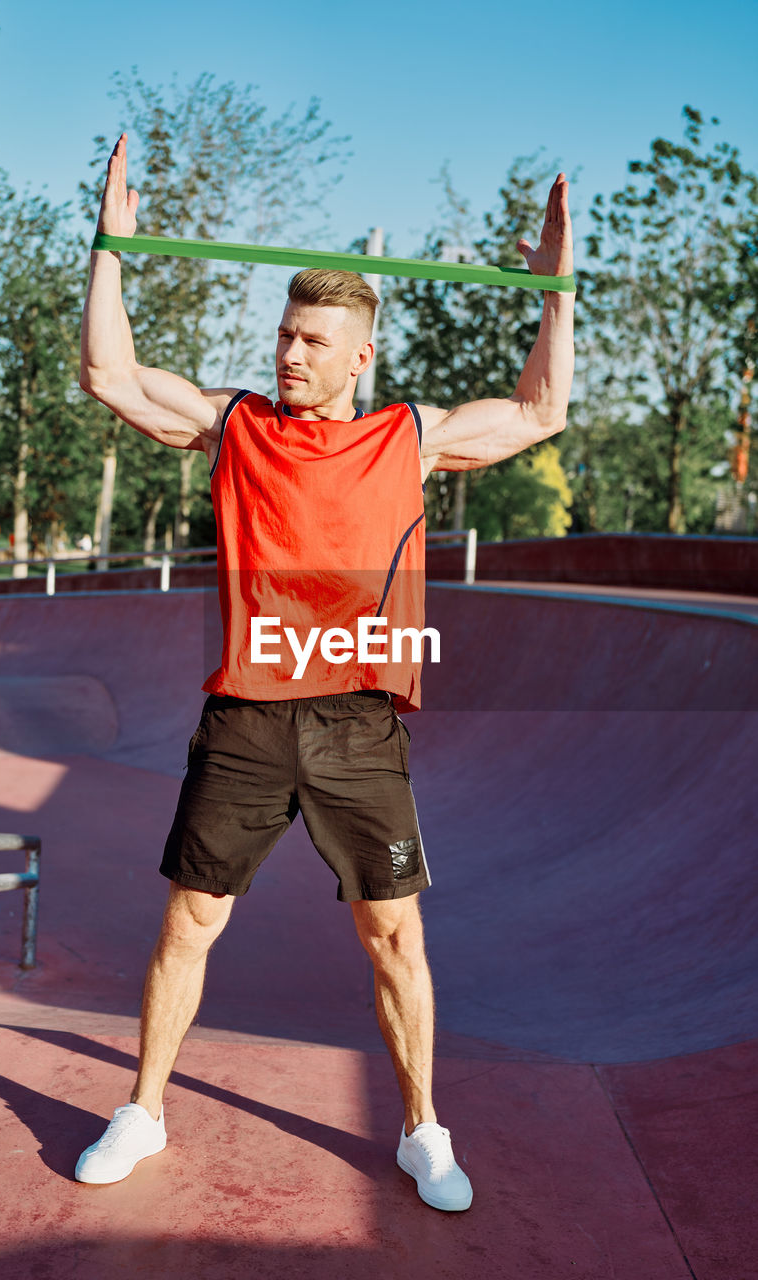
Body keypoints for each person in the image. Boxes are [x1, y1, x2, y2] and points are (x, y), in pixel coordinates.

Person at [75, 133, 574, 1212]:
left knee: (395, 929)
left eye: (312, 341)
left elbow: (542, 412)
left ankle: (421, 1129)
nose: (289, 352)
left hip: (357, 723)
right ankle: (144, 1109)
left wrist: (556, 292)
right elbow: (109, 373)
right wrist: (108, 242)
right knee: (189, 920)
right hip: (247, 718)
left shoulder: (409, 435)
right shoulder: (236, 424)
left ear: (358, 358)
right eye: (285, 333)